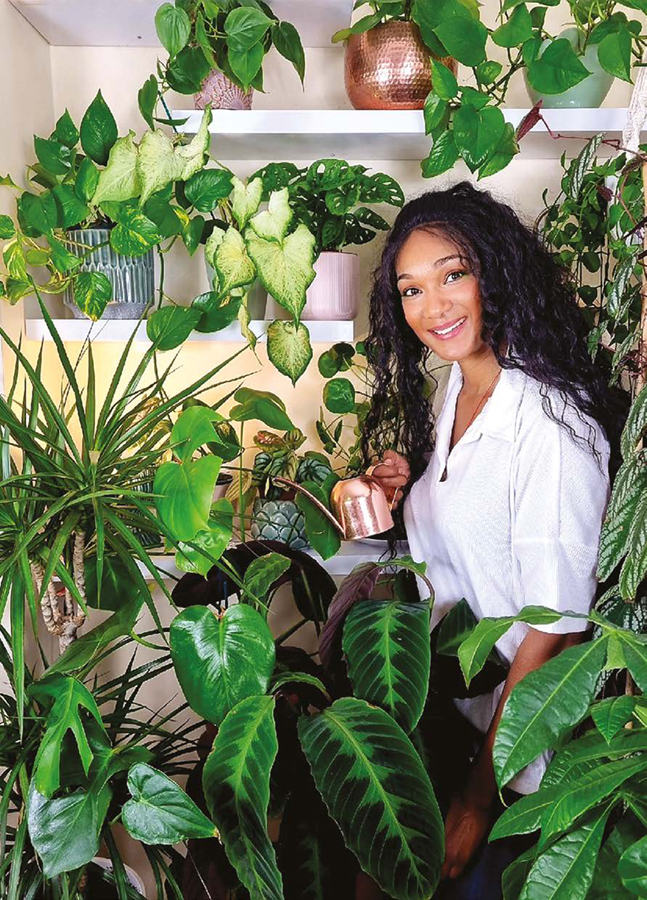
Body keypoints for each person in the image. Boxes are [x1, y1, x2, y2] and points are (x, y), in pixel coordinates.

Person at [361, 182, 625, 899]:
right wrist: (409, 479)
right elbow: (472, 509)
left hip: (517, 765)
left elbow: (555, 631)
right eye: (410, 290)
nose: (432, 308)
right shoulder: (458, 388)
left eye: (452, 275)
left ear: (495, 273)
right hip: (452, 718)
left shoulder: (552, 428)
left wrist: (479, 800)